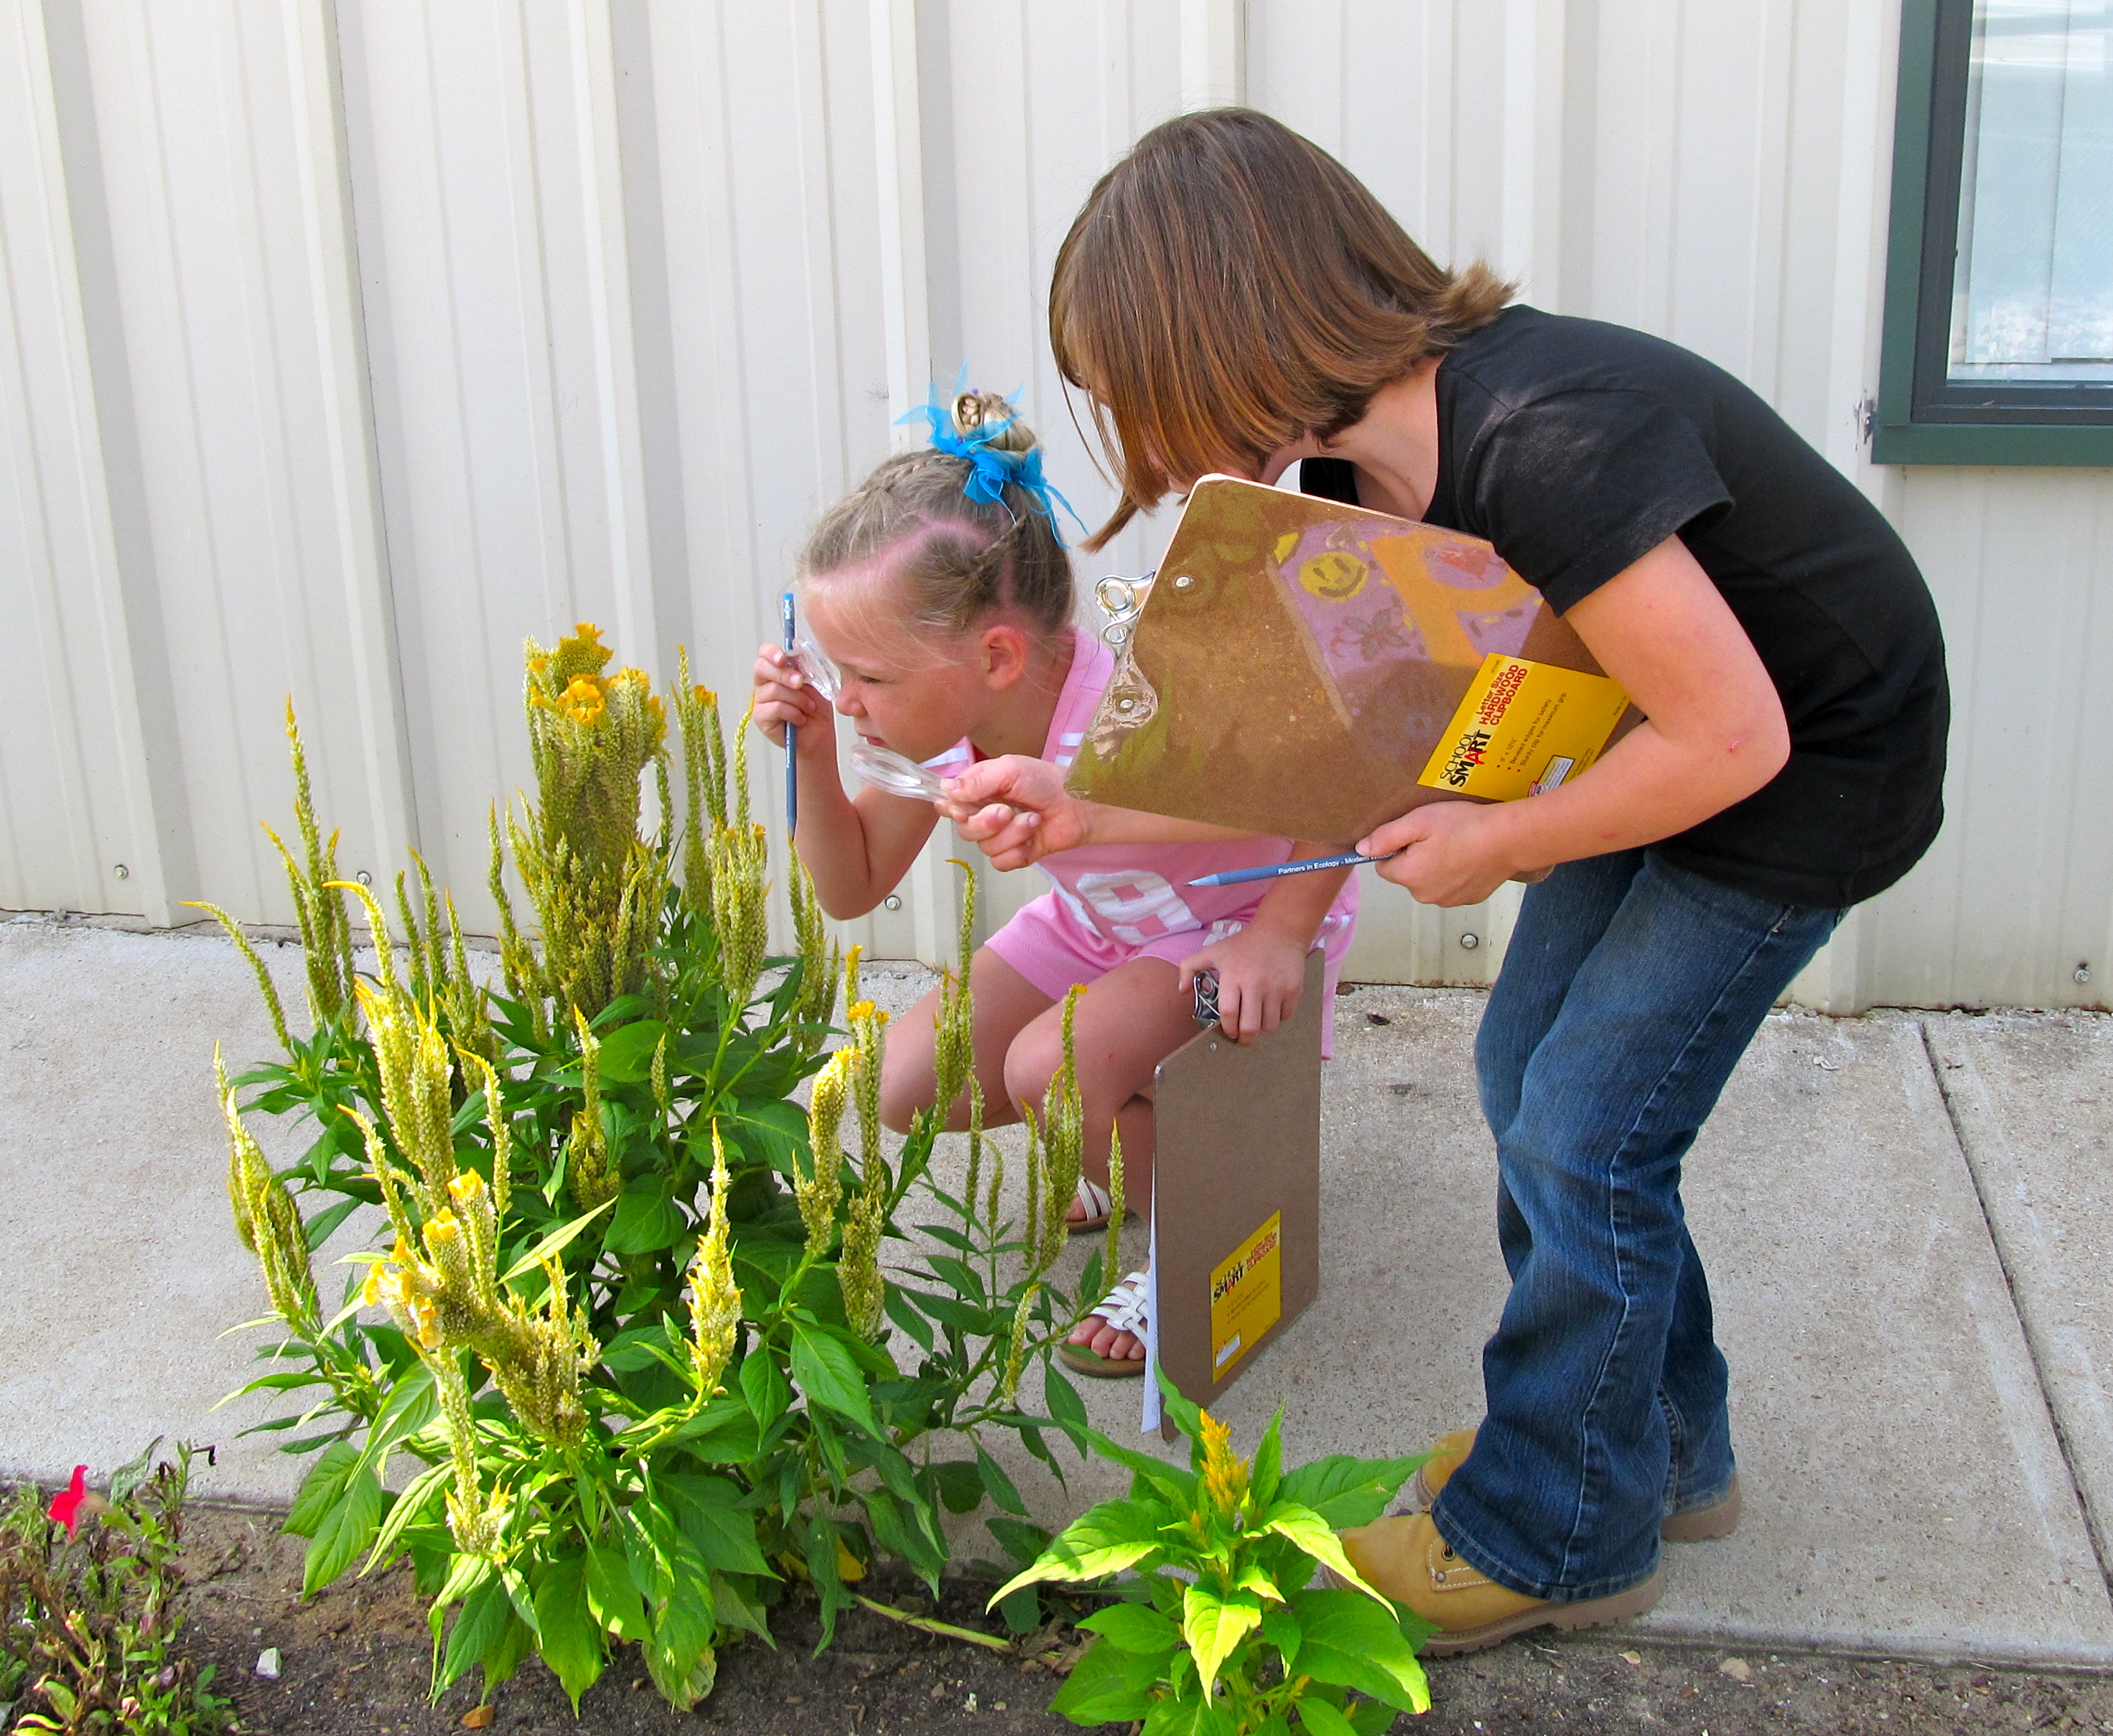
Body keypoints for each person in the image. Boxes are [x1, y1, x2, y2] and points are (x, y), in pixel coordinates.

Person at [941, 110, 1947, 1651]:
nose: (1130, 431)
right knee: (1517, 1071)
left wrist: (1491, 843)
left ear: (1217, 332)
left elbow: (1733, 735)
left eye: (1129, 387)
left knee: (1585, 1134)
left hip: (1803, 772)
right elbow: (1335, 750)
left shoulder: (1543, 436)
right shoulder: (1356, 473)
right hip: (1648, 743)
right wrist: (1077, 805)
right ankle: (1656, 1453)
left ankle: (1555, 1535)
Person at [750, 388, 1358, 1378]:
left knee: (1051, 1070)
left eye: (864, 676)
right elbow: (851, 884)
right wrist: (811, 755)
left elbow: (1334, 781)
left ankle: (1196, 1242)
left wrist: (1279, 933)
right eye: (830, 668)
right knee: (908, 1080)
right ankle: (1119, 1139)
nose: (843, 696)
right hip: (1104, 926)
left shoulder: (1144, 682)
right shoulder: (935, 723)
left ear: (995, 654)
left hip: (1232, 921)